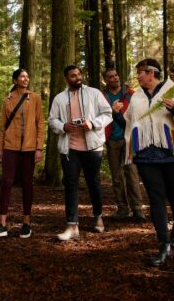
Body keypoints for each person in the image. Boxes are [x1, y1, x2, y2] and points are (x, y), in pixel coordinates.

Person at [120, 58, 174, 266]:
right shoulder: (136, 97)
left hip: (172, 152)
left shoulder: (172, 90)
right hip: (145, 155)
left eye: (141, 72)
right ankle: (163, 245)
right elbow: (128, 123)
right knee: (156, 199)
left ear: (152, 73)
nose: (138, 76)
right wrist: (115, 112)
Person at [49, 65, 113, 241]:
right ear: (66, 78)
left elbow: (108, 114)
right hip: (70, 148)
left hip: (93, 146)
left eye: (78, 74)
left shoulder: (94, 93)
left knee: (94, 182)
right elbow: (52, 119)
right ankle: (72, 225)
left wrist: (92, 123)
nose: (77, 78)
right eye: (72, 76)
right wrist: (63, 126)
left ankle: (98, 217)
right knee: (71, 184)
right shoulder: (59, 98)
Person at [0, 68, 44, 239]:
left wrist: (39, 148)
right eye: (22, 76)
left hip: (29, 148)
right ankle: (2, 224)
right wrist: (0, 149)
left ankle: (26, 223)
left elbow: (40, 124)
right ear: (15, 80)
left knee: (27, 183)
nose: (25, 79)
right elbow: (2, 128)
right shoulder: (7, 100)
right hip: (10, 147)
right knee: (6, 182)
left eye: (27, 76)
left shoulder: (34, 98)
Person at [101, 68, 146, 221]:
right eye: (111, 77)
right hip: (111, 139)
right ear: (106, 80)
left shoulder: (131, 93)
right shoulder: (102, 96)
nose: (115, 78)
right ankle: (122, 208)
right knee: (116, 176)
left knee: (132, 173)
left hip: (129, 139)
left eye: (116, 75)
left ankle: (137, 209)